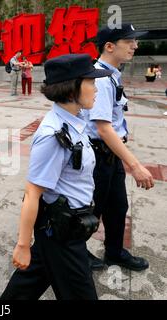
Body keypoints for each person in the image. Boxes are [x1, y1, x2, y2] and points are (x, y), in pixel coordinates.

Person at [0, 54, 112, 300]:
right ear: (72, 88)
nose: (96, 87)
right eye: (90, 82)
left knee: (26, 286)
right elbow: (32, 193)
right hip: (62, 236)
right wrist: (22, 245)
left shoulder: (76, 120)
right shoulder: (54, 135)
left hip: (65, 229)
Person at [83, 23, 154, 271]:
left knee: (117, 206)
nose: (135, 45)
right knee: (91, 211)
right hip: (97, 156)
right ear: (110, 46)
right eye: (129, 41)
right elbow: (103, 128)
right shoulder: (100, 78)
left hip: (110, 154)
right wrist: (135, 165)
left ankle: (114, 252)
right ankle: (76, 255)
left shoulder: (112, 72)